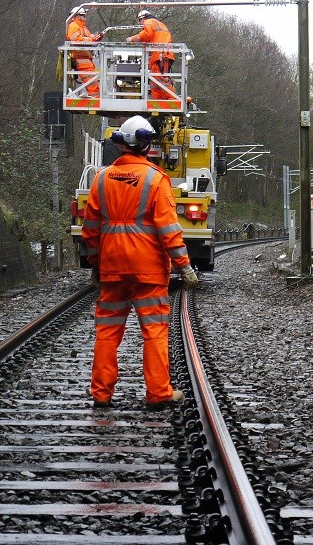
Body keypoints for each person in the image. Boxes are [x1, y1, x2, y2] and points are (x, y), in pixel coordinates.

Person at [81, 115, 199, 410]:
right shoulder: (156, 179)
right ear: (147, 146)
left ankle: (101, 393)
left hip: (112, 267)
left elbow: (91, 229)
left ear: (120, 144)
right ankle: (158, 393)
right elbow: (169, 229)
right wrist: (183, 265)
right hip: (147, 270)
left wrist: (95, 263)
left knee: (107, 330)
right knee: (154, 329)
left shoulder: (101, 178)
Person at [127, 9, 175, 100]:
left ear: (142, 18)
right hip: (163, 54)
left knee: (160, 78)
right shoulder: (159, 24)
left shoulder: (149, 22)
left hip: (160, 55)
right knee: (156, 80)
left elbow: (146, 34)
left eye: (140, 21)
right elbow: (150, 38)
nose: (141, 24)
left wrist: (132, 39)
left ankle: (171, 98)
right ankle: (159, 99)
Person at [66, 7, 103, 97]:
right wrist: (91, 39)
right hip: (80, 59)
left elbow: (90, 37)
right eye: (83, 15)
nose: (85, 17)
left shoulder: (83, 27)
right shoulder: (73, 26)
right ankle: (96, 99)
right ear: (77, 16)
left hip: (86, 59)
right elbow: (76, 39)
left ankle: (97, 98)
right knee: (91, 82)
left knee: (92, 81)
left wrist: (97, 37)